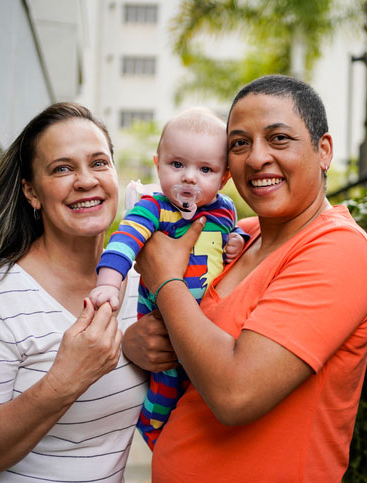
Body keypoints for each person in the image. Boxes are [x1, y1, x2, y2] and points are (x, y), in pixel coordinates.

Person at [123, 74, 367, 481]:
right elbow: (183, 336)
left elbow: (234, 394)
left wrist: (165, 280)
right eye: (240, 144)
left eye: (278, 138)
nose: (256, 158)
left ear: (324, 150)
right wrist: (138, 343)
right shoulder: (235, 235)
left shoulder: (339, 249)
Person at [0, 102, 153, 482]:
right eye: (62, 168)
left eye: (99, 162)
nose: (86, 180)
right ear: (31, 191)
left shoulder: (144, 283)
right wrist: (66, 380)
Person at [89, 107, 247, 448]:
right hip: (163, 323)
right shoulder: (153, 208)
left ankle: (195, 444)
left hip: (209, 328)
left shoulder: (224, 211)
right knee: (164, 387)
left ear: (223, 179)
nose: (189, 177)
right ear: (157, 164)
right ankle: (157, 436)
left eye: (205, 169)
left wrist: (237, 242)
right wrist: (108, 283)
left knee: (203, 392)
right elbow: (124, 241)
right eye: (177, 165)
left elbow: (231, 240)